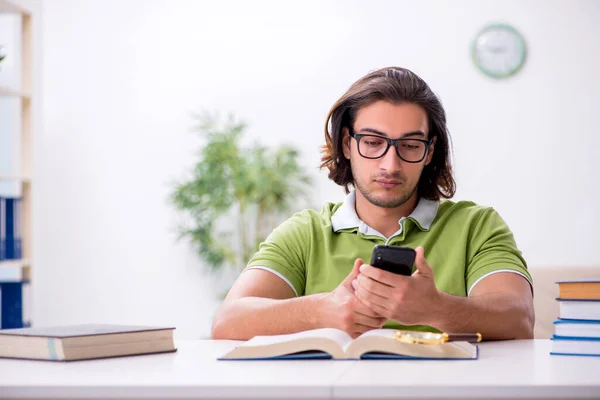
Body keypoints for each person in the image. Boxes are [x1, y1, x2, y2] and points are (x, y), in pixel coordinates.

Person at [211, 67, 534, 340]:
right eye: (373, 143)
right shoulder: (305, 232)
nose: (390, 165)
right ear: (347, 145)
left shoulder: (477, 226)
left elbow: (519, 318)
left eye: (410, 145)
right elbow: (228, 322)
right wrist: (320, 310)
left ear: (430, 151)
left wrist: (435, 309)